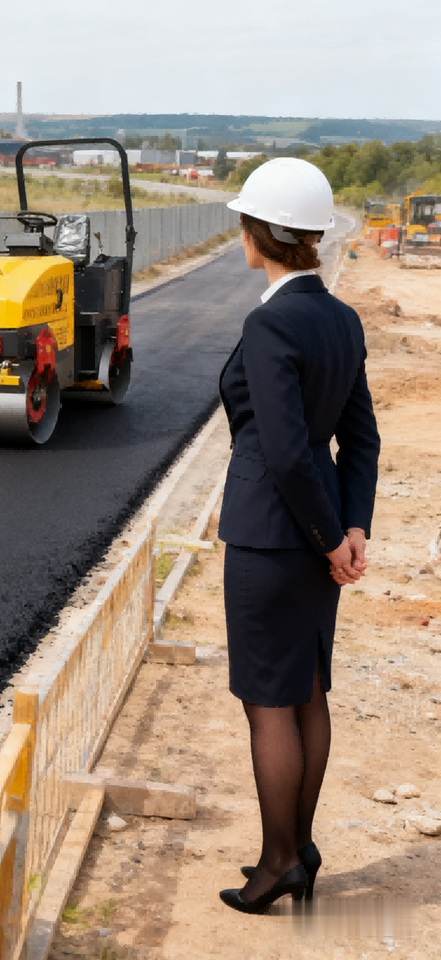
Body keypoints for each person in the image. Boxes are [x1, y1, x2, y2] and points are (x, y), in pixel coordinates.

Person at [217, 158, 380, 913]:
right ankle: (299, 849)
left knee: (269, 704)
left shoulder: (270, 322)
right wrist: (350, 528)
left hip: (270, 538)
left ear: (260, 234)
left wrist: (327, 538)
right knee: (307, 692)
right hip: (319, 538)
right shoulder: (342, 318)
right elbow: (361, 436)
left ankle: (279, 861)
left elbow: (283, 453)